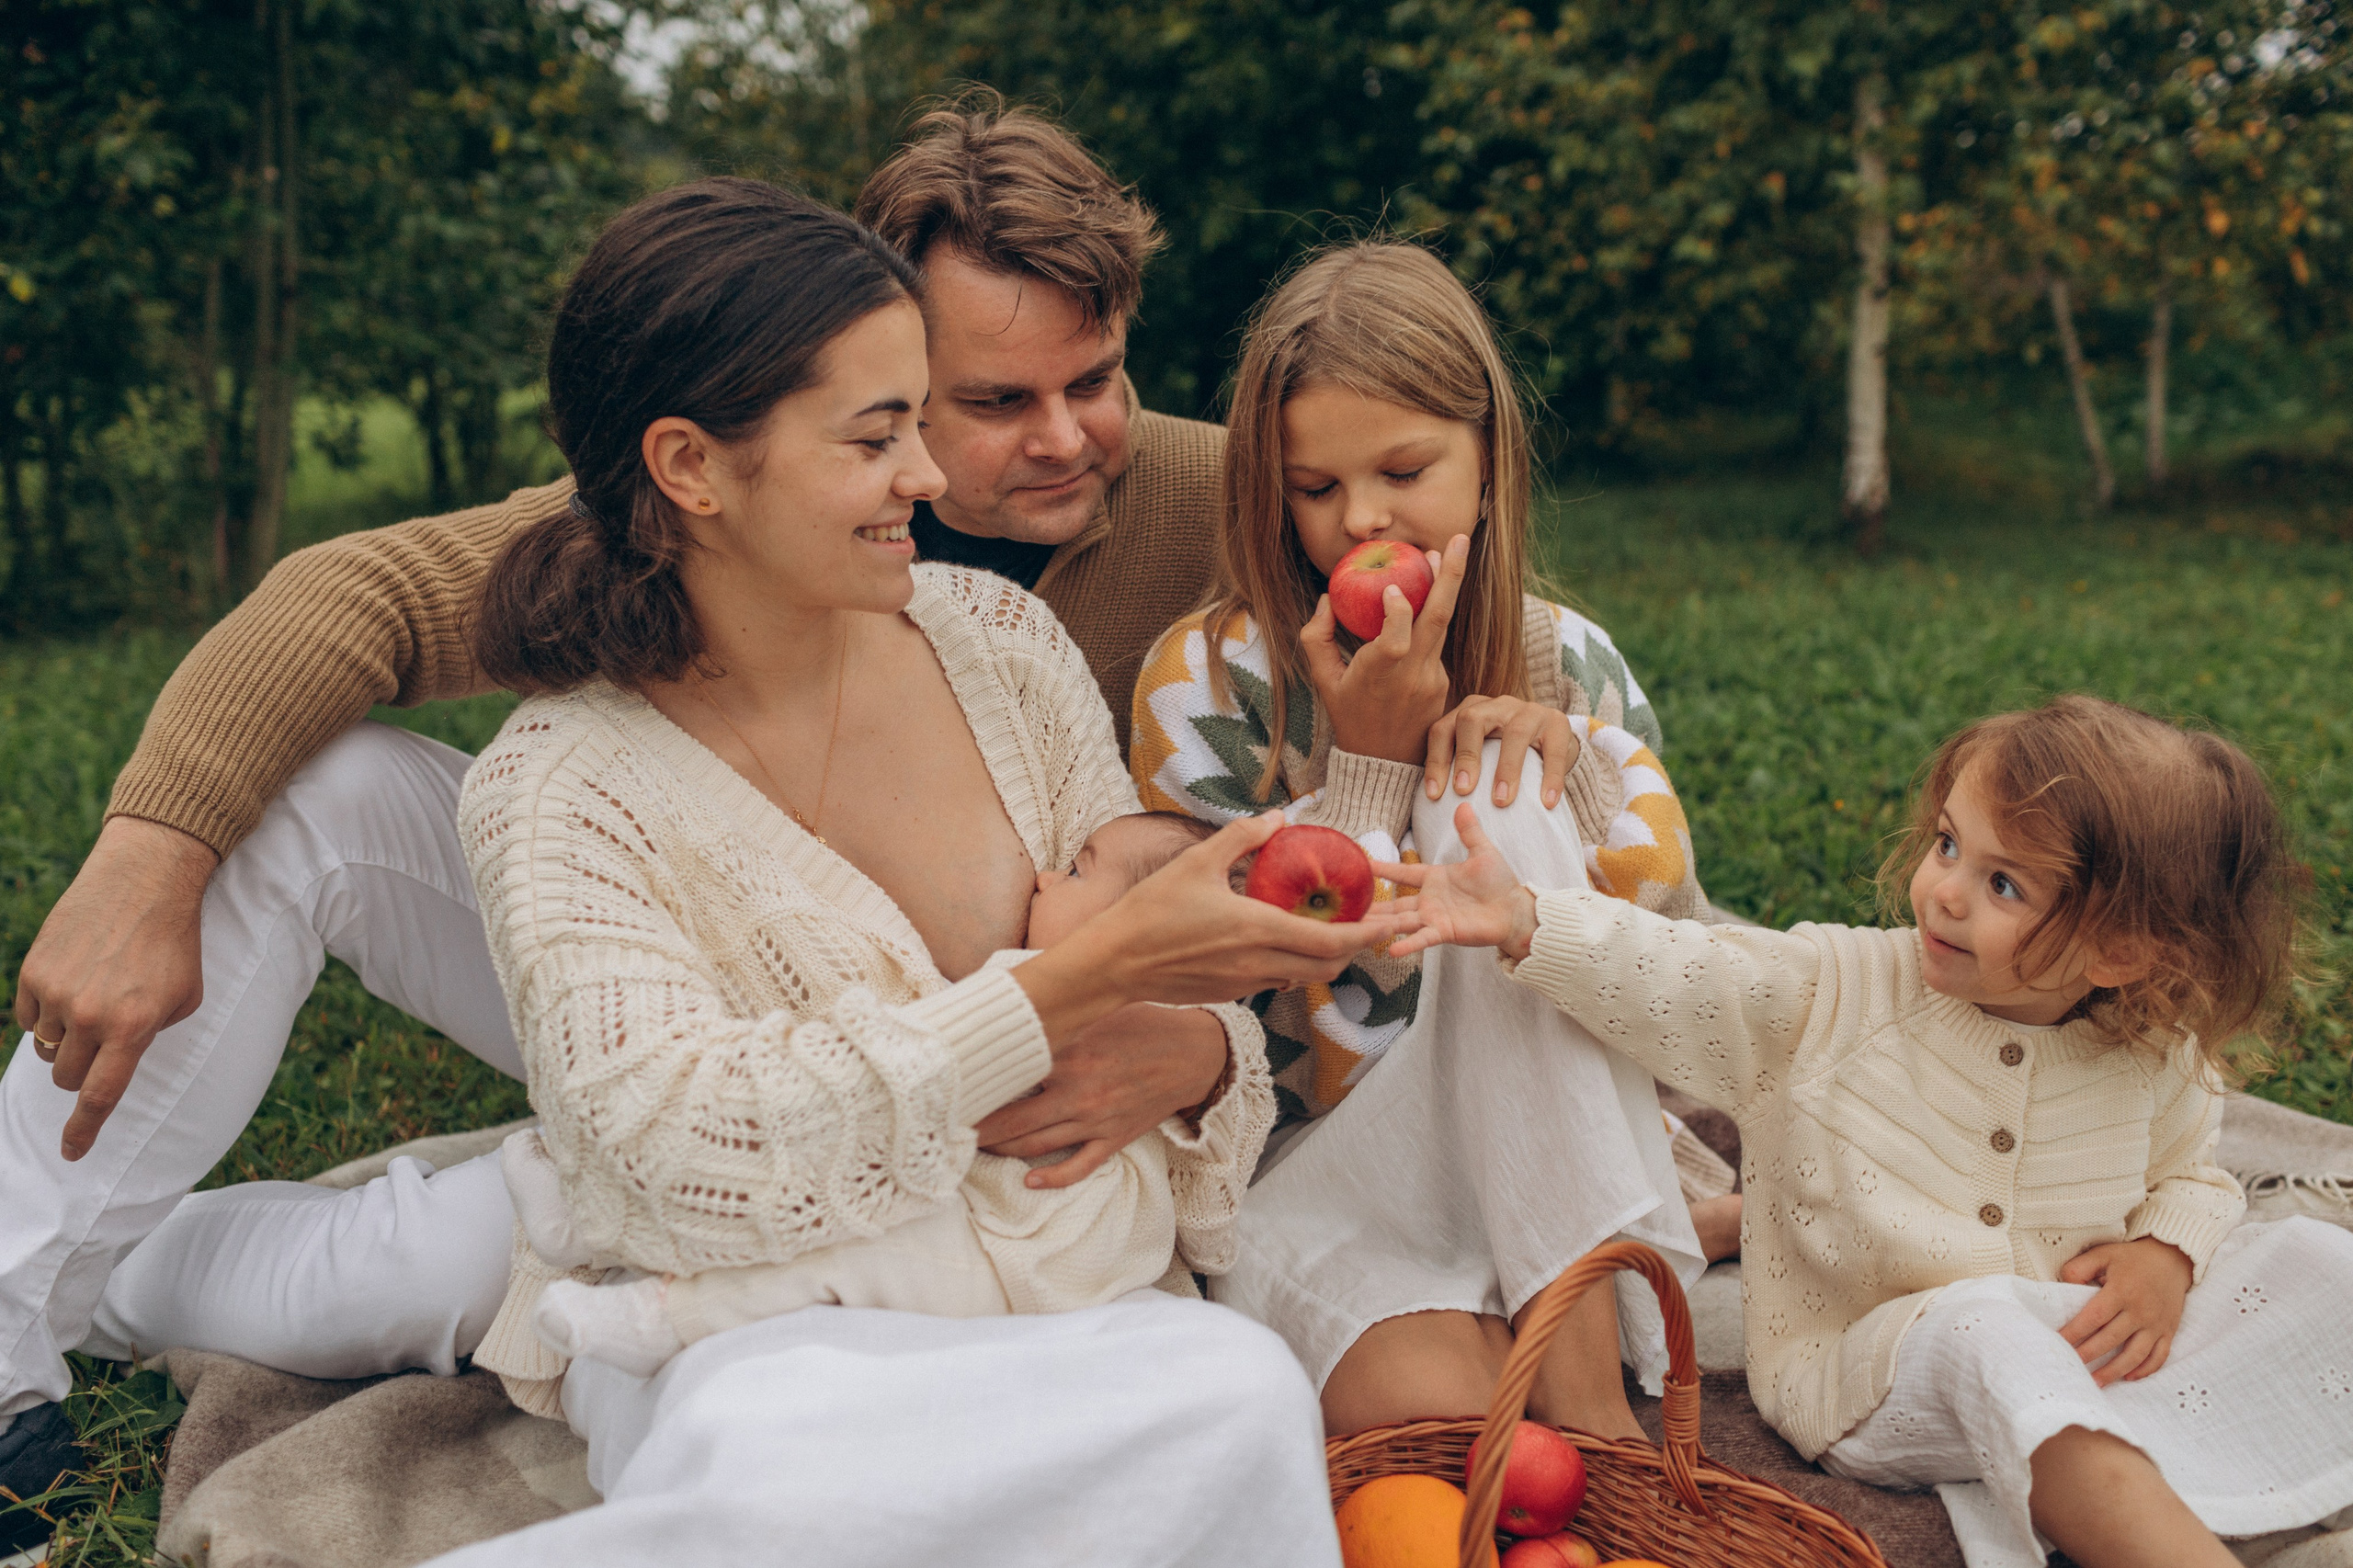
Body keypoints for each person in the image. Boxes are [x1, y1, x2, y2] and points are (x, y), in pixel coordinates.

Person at [9, 96, 1541, 1501]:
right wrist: (148, 858)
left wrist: (1202, 1034)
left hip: (1001, 1094)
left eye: (1100, 378)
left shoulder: (1175, 529)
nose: (1062, 439)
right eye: (978, 403)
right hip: (728, 986)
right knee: (438, 1041)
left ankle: (159, 1258)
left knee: (458, 1249)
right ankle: (19, 1301)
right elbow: (354, 596)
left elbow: (1472, 579)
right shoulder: (675, 553)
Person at [1380, 694, 2353, 1568]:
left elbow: (2196, 1174)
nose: (1945, 890)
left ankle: (2188, 1458)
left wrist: (2164, 1255)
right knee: (1987, 1335)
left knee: (2318, 1258)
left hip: (2076, 1343)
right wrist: (1523, 921)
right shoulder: (1838, 994)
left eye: (2003, 883)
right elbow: (1680, 969)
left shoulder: (2156, 1053)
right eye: (1946, 844)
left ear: (2121, 949)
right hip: (1874, 1367)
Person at [1130, 240, 1733, 1442]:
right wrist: (1366, 767)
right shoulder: (1203, 680)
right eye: (1313, 487)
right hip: (1334, 1161)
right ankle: (1614, 1305)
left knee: (1501, 784)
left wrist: (1582, 771)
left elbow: (1656, 970)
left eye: (1405, 469)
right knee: (1446, 1418)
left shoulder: (1568, 659)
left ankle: (1590, 1392)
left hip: (1554, 1134)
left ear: (1490, 460)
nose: (1360, 519)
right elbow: (1249, 1025)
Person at [519, 812, 1266, 1382]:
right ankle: (597, 1219)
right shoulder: (1098, 998)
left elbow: (913, 1088)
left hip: (1029, 1263)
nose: (1044, 878)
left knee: (840, 1259)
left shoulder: (1057, 996)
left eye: (1076, 871)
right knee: (831, 1201)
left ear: (1131, 922)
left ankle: (665, 1317)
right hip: (1023, 1229)